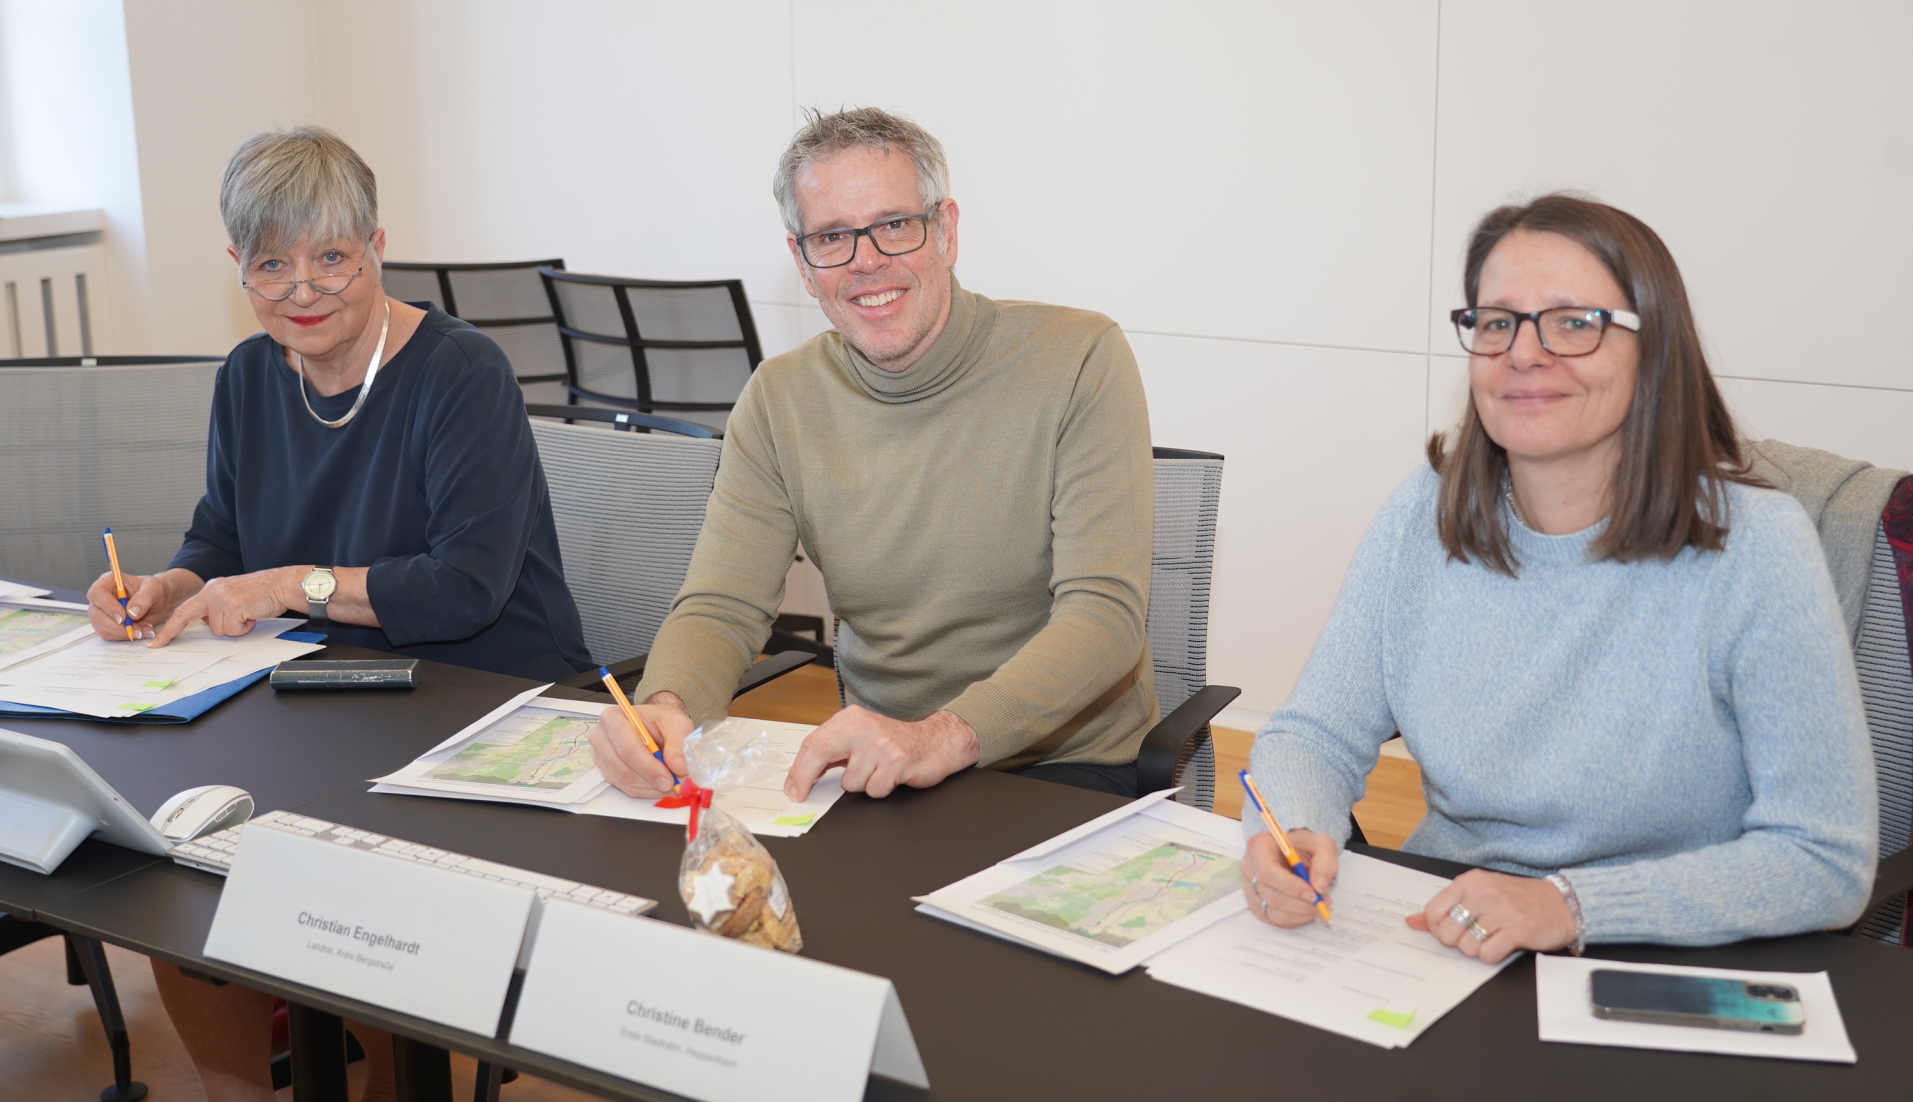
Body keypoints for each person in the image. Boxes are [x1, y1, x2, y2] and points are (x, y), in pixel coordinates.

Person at [84, 126, 592, 1102]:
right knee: (177, 865)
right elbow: (220, 542)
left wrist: (283, 586)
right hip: (319, 698)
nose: (304, 290)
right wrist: (167, 589)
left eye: (332, 258)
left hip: (476, 696)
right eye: (273, 264)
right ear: (237, 263)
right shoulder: (246, 376)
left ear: (377, 246)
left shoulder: (460, 372)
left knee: (354, 914)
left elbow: (463, 588)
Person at [1241, 194, 1876, 960]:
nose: (1525, 352)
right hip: (1443, 937)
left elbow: (1824, 858)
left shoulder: (1757, 549)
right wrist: (1292, 826)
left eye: (1575, 321)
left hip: (1658, 947)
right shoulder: (1425, 512)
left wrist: (1568, 905)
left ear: (1654, 349)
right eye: (1497, 321)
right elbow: (1314, 733)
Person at [590, 107, 1158, 802]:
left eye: (894, 224)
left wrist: (942, 735)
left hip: (1056, 765)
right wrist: (668, 706)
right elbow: (721, 604)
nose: (866, 261)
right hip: (877, 768)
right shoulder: (780, 397)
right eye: (832, 236)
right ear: (802, 264)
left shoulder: (1079, 357)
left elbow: (1104, 617)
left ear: (946, 231)